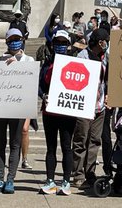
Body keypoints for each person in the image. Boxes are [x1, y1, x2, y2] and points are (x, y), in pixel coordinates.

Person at [0, 28, 34, 194]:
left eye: (18, 38)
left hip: (18, 108)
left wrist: (17, 65)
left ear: (22, 40)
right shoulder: (0, 59)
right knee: (0, 144)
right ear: (6, 42)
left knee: (15, 144)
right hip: (1, 108)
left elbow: (30, 83)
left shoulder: (29, 60)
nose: (15, 41)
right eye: (12, 39)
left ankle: (10, 180)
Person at [38, 31, 77, 196]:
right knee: (51, 147)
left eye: (63, 43)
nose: (60, 46)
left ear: (68, 45)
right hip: (50, 112)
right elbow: (40, 85)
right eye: (57, 43)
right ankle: (50, 181)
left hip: (67, 113)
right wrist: (43, 95)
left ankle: (66, 181)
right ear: (52, 45)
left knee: (67, 148)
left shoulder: (76, 64)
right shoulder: (47, 64)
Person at [71, 27, 110, 190]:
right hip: (84, 105)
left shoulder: (106, 57)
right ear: (99, 42)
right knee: (81, 139)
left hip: (100, 105)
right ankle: (78, 173)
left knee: (94, 140)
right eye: (105, 41)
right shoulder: (82, 56)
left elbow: (108, 78)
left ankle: (90, 172)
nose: (107, 44)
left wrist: (108, 94)